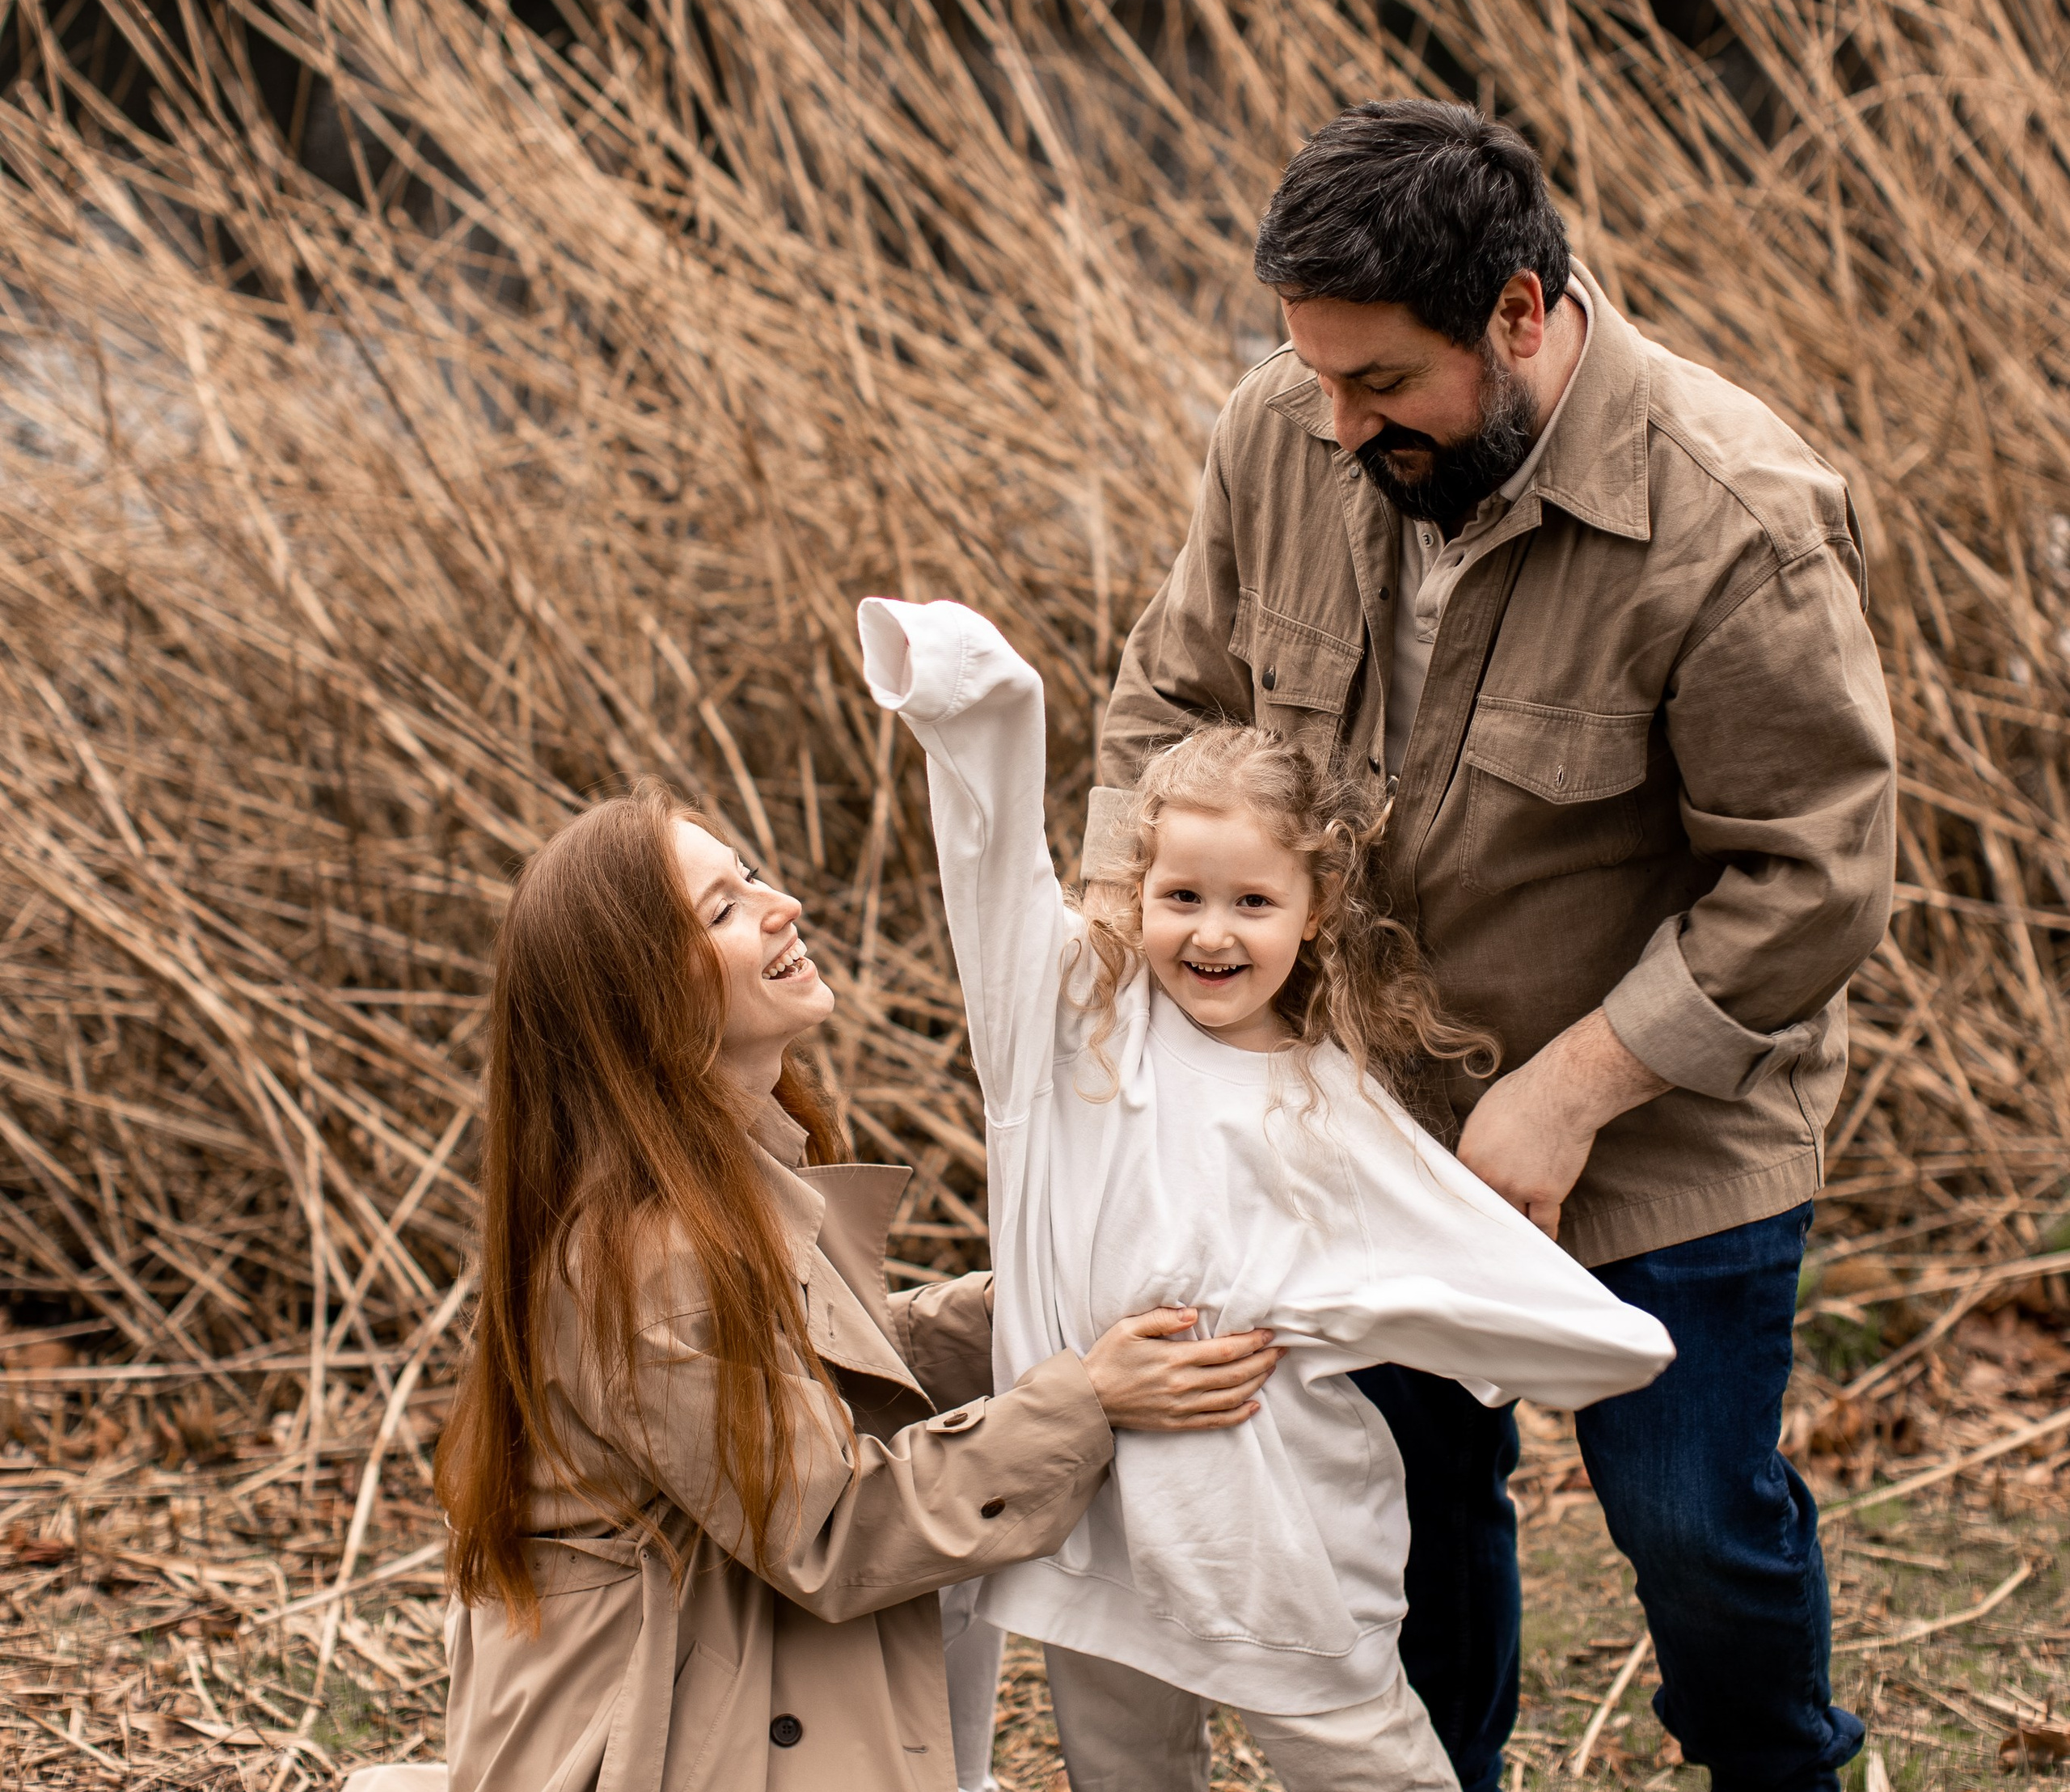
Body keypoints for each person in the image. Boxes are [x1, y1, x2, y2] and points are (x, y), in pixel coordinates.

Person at [1086, 99, 1897, 1792]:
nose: (1332, 417)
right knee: (1398, 1517)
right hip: (1357, 1114)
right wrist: (1116, 940)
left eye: (1380, 384)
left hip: (1667, 1128)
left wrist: (1576, 1087)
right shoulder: (1281, 432)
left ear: (1517, 316)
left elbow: (1810, 878)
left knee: (1694, 1529)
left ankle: (1778, 1771)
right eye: (1310, 369)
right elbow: (1166, 701)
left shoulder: (1734, 516)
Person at [859, 594, 1674, 1792]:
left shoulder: (1327, 1107)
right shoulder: (1069, 1034)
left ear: (1315, 912)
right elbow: (990, 863)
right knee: (1127, 1770)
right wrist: (973, 693)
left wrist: (1594, 1344)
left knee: (1372, 1767)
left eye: (1252, 903)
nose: (1212, 933)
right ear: (1135, 893)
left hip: (1266, 1541)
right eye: (1182, 896)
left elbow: (1461, 1255)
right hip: (1094, 1534)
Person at [420, 782, 1282, 1792]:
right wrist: (1087, 1402)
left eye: (746, 874)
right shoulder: (649, 1262)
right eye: (722, 910)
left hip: (717, 1680)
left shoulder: (715, 1171)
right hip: (651, 1743)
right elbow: (836, 1530)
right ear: (640, 999)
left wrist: (1044, 1300)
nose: (778, 902)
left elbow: (819, 1365)